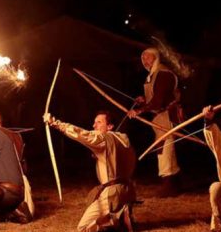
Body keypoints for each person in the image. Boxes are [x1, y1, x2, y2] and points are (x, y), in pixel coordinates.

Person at [44, 111, 136, 232]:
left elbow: (81, 134)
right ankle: (120, 216)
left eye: (99, 122)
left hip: (112, 194)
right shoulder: (123, 139)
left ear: (110, 126)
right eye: (94, 122)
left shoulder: (103, 139)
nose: (94, 126)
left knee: (83, 228)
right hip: (128, 191)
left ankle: (116, 222)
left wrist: (54, 123)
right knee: (93, 197)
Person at [127, 48, 182, 197]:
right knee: (163, 147)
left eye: (149, 58)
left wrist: (139, 111)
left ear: (156, 58)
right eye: (143, 58)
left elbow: (159, 101)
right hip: (160, 116)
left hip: (168, 116)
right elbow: (155, 99)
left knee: (164, 148)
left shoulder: (163, 74)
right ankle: (172, 183)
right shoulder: (153, 75)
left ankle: (168, 185)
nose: (145, 61)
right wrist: (144, 101)